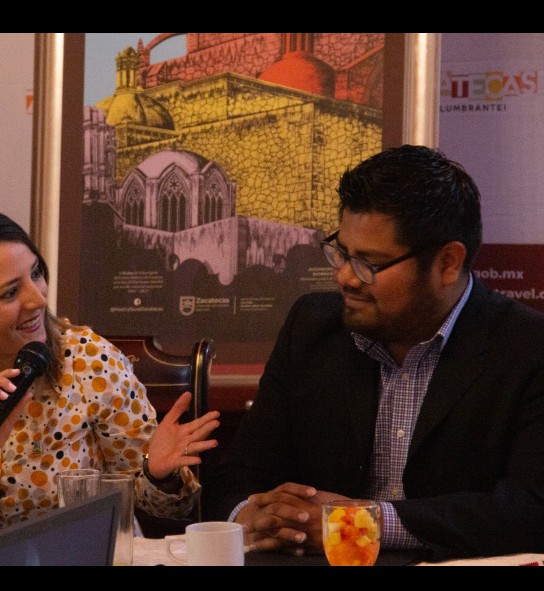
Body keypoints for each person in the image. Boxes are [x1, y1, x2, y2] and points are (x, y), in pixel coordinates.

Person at [205, 144, 544, 562]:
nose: (346, 278)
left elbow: (530, 509)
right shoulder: (312, 328)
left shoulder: (527, 348)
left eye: (370, 263)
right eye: (343, 253)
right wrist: (254, 515)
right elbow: (240, 474)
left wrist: (360, 525)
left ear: (448, 263)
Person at [0, 205, 220, 532]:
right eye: (10, 293)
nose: (38, 299)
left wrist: (159, 475)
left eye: (36, 273)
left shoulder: (88, 359)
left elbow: (167, 506)